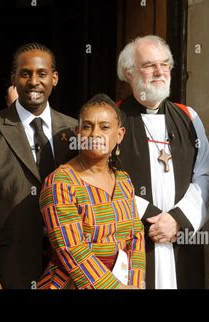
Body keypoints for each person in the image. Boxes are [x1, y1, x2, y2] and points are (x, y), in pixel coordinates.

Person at [0, 43, 77, 289]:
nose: (34, 81)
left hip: (68, 267)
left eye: (42, 73)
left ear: (54, 78)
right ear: (14, 78)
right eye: (25, 73)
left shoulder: (73, 130)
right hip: (10, 266)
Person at [116, 35, 209, 289]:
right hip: (134, 239)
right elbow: (104, 177)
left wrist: (177, 219)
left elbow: (206, 173)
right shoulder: (112, 118)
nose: (160, 71)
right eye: (149, 65)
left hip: (181, 238)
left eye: (165, 64)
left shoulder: (188, 117)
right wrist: (152, 217)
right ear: (129, 73)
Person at [37, 94, 145, 289]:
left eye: (104, 127)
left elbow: (136, 236)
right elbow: (71, 248)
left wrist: (135, 283)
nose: (95, 134)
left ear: (119, 135)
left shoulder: (123, 180)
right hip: (71, 283)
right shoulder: (61, 183)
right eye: (87, 126)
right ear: (78, 133)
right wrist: (115, 288)